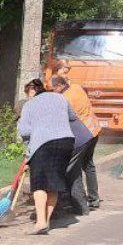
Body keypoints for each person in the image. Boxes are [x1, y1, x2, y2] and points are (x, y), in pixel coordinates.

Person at [17, 79, 79, 235]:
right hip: (66, 142)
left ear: (32, 91)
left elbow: (24, 131)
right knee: (54, 183)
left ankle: (40, 222)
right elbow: (73, 117)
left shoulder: (29, 105)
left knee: (39, 184)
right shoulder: (60, 97)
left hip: (43, 145)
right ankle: (46, 222)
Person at [51, 75, 102, 213]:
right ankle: (94, 199)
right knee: (89, 165)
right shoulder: (77, 87)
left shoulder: (64, 99)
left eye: (54, 88)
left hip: (81, 135)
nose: (53, 91)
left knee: (71, 168)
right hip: (93, 130)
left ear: (60, 86)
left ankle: (72, 203)